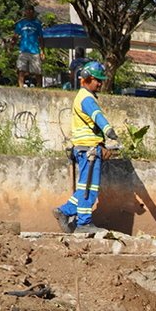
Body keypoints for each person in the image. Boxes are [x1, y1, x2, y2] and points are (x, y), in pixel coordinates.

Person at [53, 60, 119, 234]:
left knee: (85, 187)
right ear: (87, 79)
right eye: (97, 80)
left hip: (85, 148)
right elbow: (97, 116)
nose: (100, 83)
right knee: (89, 188)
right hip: (88, 150)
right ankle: (83, 223)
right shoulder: (87, 99)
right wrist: (109, 130)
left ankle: (64, 211)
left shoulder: (83, 97)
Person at [14, 5, 43, 89]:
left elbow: (40, 38)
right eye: (27, 10)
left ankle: (39, 87)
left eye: (31, 11)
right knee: (21, 69)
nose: (29, 12)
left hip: (35, 50)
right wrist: (12, 45)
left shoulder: (37, 24)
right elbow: (15, 36)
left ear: (33, 12)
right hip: (23, 50)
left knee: (37, 71)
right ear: (25, 12)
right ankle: (20, 86)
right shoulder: (20, 24)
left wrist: (42, 51)